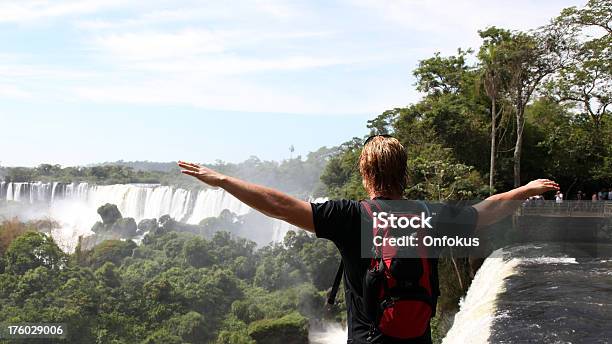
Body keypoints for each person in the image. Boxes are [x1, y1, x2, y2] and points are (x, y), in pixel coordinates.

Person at [178, 135, 558, 344]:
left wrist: (224, 180)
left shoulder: (351, 216)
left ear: (365, 174)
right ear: (404, 173)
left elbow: (279, 206)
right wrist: (524, 189)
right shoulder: (431, 214)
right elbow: (487, 211)